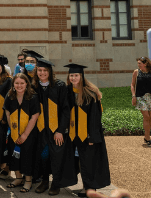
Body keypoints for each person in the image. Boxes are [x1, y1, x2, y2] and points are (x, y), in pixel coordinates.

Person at [66, 63, 110, 196]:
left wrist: (92, 137)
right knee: (79, 162)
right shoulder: (67, 91)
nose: (73, 78)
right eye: (71, 75)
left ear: (81, 76)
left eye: (76, 75)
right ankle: (85, 186)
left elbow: (95, 118)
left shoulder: (90, 94)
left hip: (87, 135)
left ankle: (89, 189)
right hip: (73, 135)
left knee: (88, 162)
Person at [33, 58, 76, 195]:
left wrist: (60, 131)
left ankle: (56, 183)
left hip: (55, 130)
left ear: (50, 72)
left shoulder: (59, 86)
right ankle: (45, 181)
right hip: (41, 130)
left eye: (45, 70)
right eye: (39, 70)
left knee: (57, 157)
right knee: (44, 156)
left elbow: (65, 110)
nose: (42, 72)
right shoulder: (34, 87)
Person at [4, 74, 41, 193]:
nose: (19, 85)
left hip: (29, 133)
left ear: (26, 84)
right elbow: (7, 113)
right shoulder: (10, 96)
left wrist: (24, 134)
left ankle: (28, 181)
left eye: (22, 83)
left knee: (27, 156)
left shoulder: (33, 97)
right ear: (13, 84)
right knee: (14, 156)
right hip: (14, 133)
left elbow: (35, 116)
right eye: (16, 83)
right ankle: (18, 178)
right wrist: (13, 130)